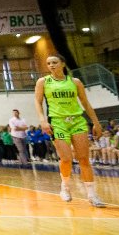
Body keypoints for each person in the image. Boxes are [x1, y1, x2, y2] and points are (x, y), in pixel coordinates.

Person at [34, 54, 105, 207]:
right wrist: (42, 120)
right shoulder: (43, 82)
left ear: (63, 64)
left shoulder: (75, 82)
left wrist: (96, 122)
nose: (51, 65)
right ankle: (65, 186)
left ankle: (92, 195)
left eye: (55, 62)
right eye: (48, 63)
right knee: (66, 158)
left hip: (77, 120)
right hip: (57, 122)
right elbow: (38, 102)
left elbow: (85, 103)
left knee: (84, 158)